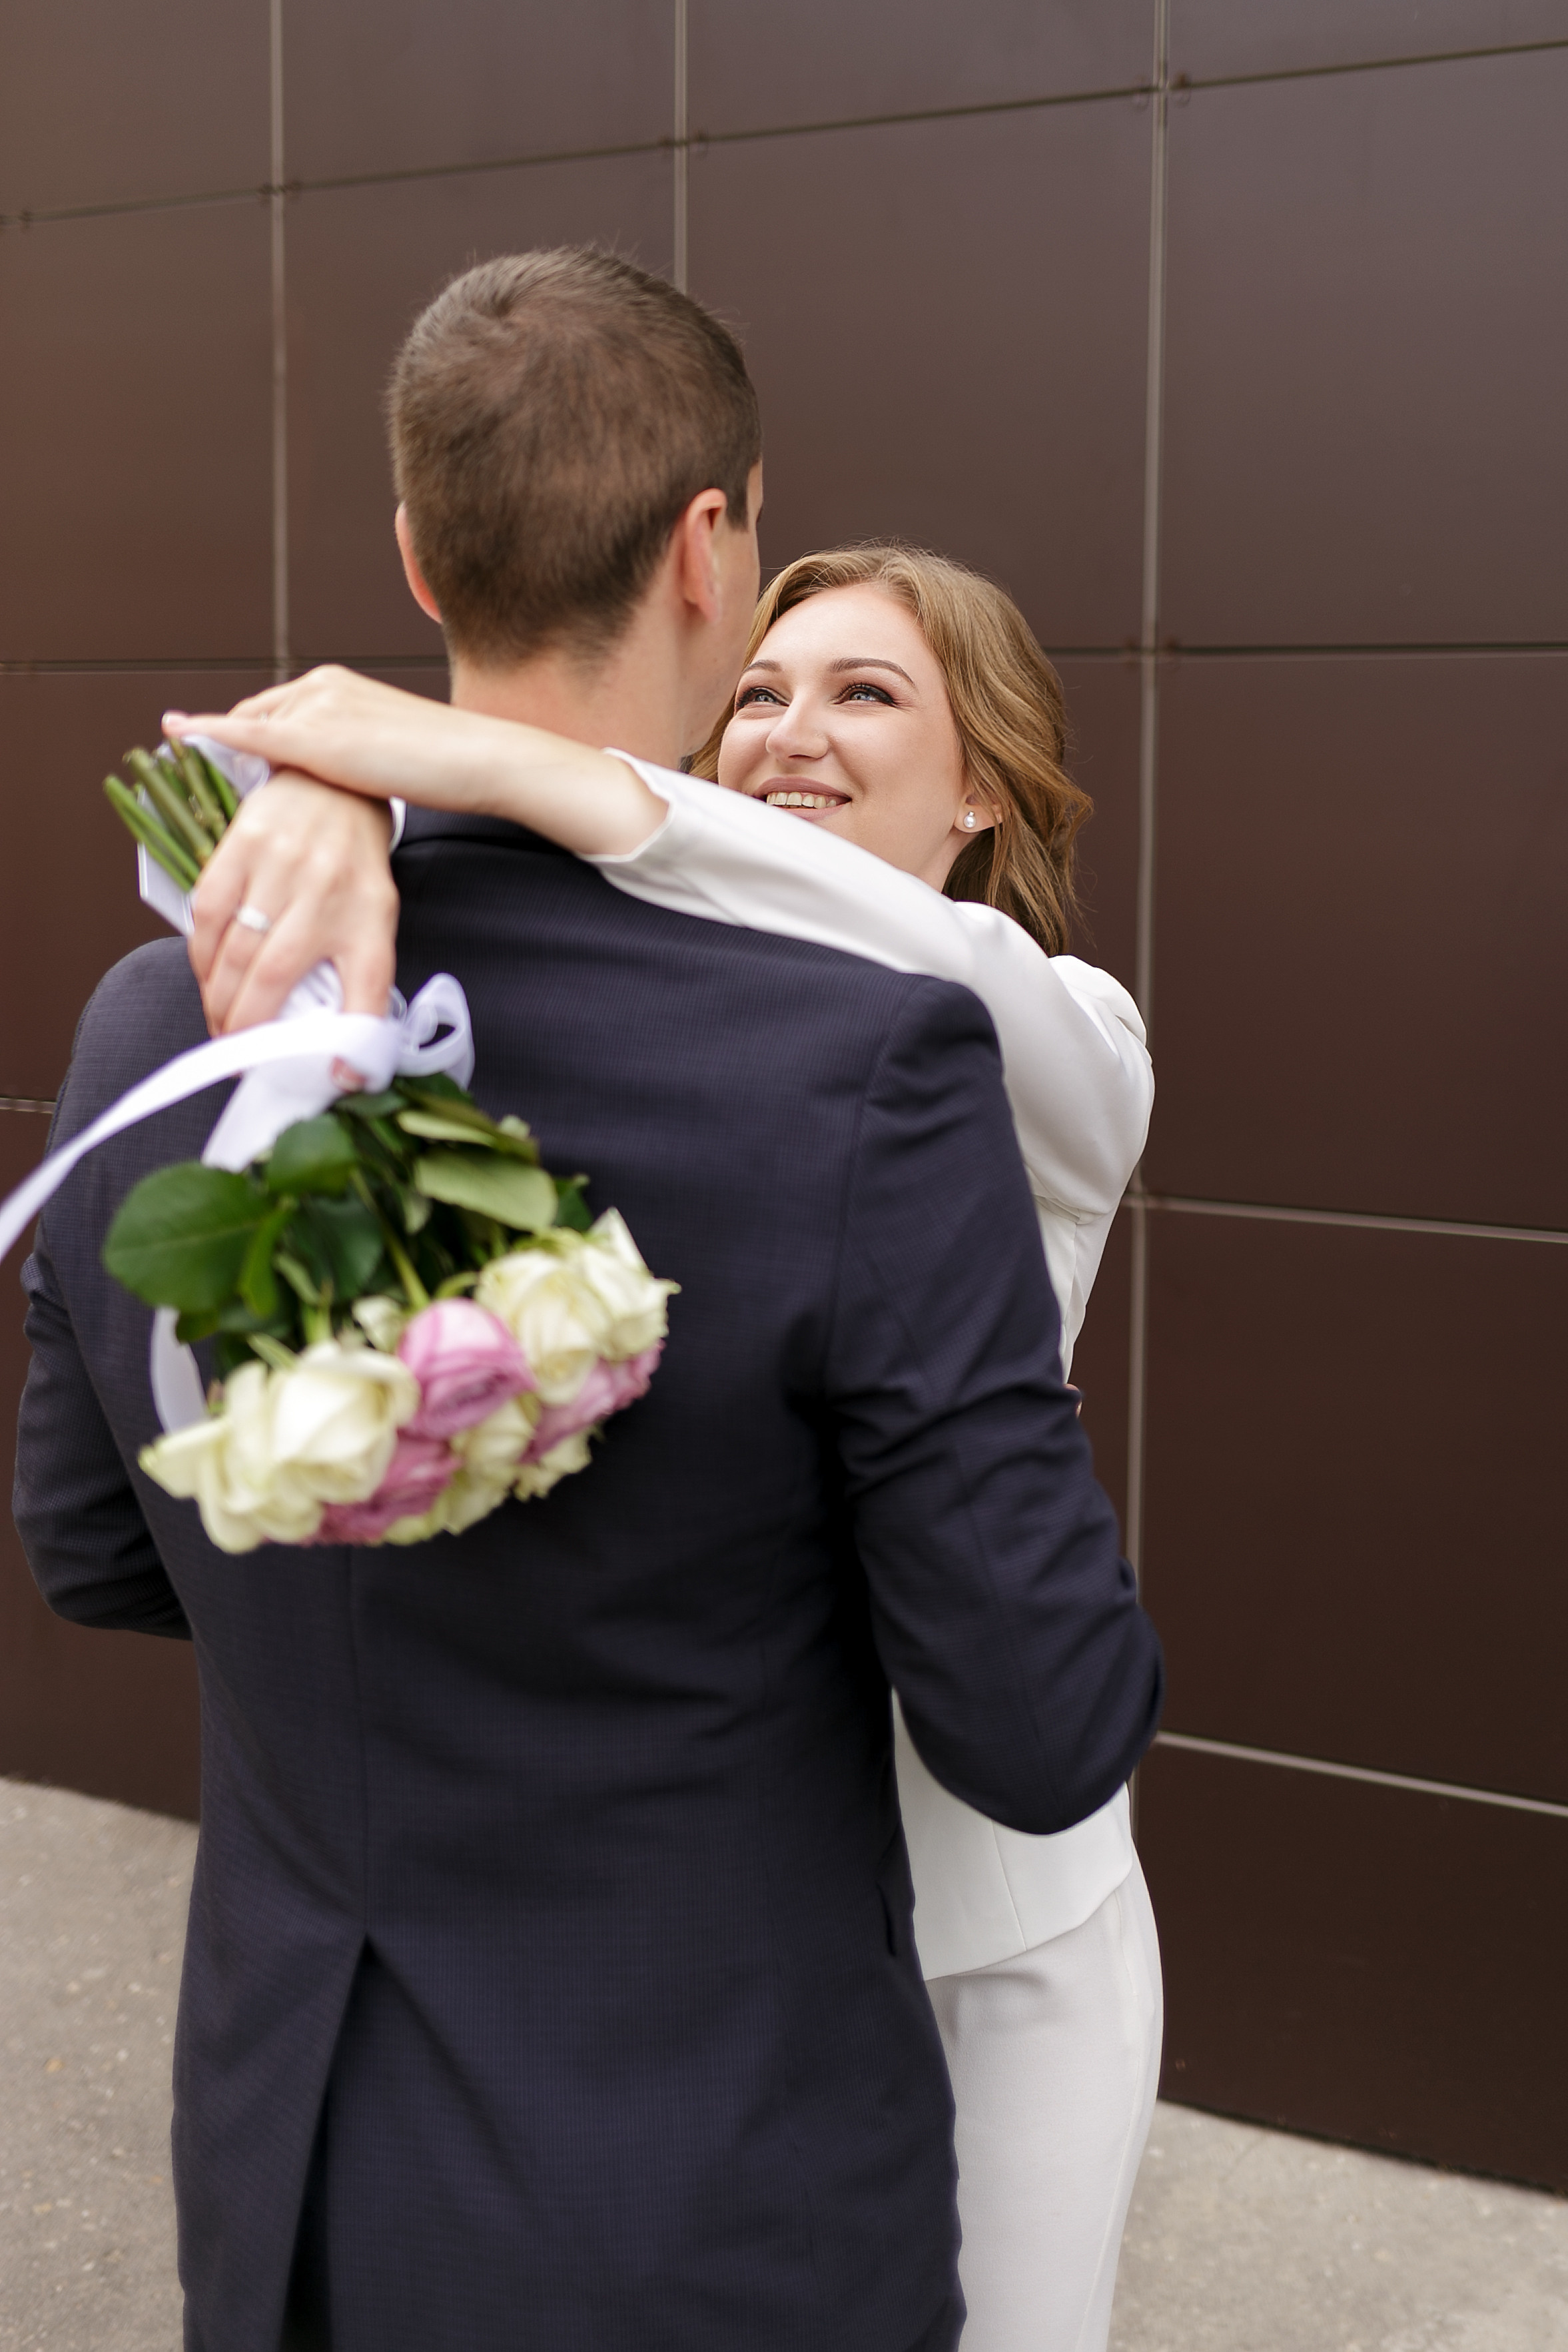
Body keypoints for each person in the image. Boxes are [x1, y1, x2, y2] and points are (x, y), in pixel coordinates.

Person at [13, 247, 1162, 2352]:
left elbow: (98, 1543)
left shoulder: (150, 1026)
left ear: (413, 556)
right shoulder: (860, 1072)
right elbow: (1040, 1715)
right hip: (705, 2206)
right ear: (707, 546)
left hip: (299, 2170)